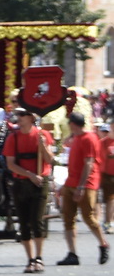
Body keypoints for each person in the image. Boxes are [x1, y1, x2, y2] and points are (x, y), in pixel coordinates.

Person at [2, 108, 54, 272]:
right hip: (21, 182)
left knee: (37, 221)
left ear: (31, 118)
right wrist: (30, 175)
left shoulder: (42, 135)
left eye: (22, 115)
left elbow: (50, 160)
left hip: (40, 182)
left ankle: (39, 257)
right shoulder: (13, 138)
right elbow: (11, 164)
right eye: (18, 115)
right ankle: (30, 259)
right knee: (24, 223)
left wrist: (43, 146)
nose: (19, 118)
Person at [56, 111, 108, 265]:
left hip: (86, 184)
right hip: (71, 182)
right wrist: (65, 185)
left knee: (88, 217)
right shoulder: (76, 138)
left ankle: (103, 244)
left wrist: (81, 187)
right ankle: (72, 253)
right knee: (68, 219)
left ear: (72, 124)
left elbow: (89, 163)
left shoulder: (89, 138)